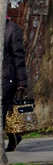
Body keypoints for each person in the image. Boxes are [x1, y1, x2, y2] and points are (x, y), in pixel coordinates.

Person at [3, 16, 30, 152]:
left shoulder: (12, 28)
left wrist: (22, 82)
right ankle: (15, 135)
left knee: (4, 110)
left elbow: (19, 57)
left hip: (7, 77)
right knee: (6, 111)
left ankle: (13, 137)